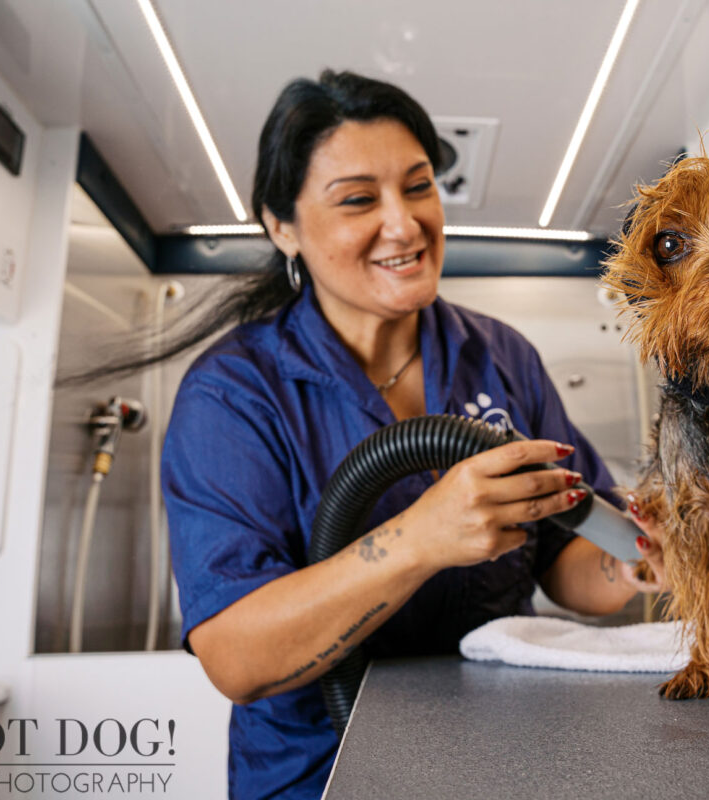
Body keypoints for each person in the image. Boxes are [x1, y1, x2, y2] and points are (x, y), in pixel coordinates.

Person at [159, 70, 666, 799]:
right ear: (282, 227)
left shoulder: (500, 354)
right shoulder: (234, 394)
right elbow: (237, 658)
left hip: (500, 757)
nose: (404, 224)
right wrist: (422, 539)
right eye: (359, 199)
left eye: (420, 186)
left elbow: (571, 555)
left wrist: (633, 559)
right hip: (320, 775)